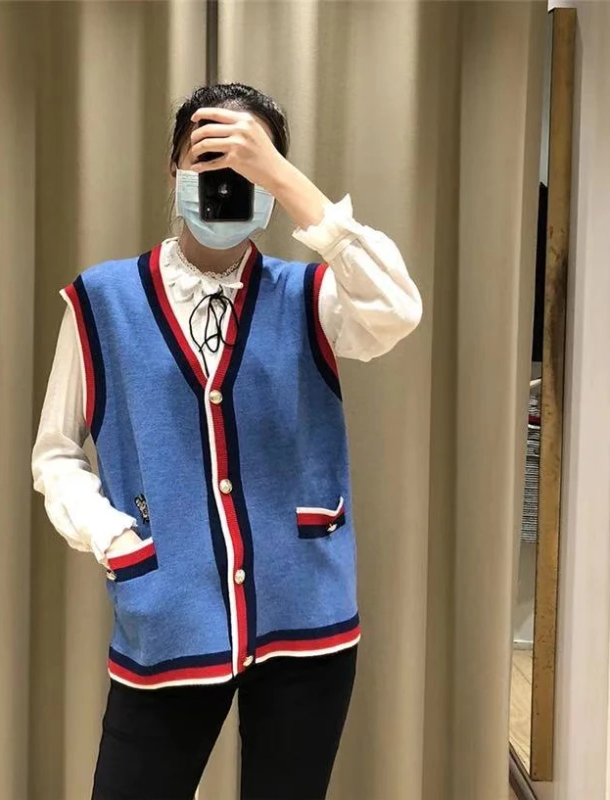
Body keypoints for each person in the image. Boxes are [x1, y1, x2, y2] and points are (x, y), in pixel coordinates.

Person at [32, 83, 422, 800]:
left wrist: (288, 181)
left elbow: (396, 310)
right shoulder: (102, 301)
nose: (226, 181)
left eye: (249, 165)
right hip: (168, 616)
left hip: (307, 619)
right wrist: (112, 537)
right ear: (172, 172)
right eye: (208, 159)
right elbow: (55, 453)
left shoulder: (313, 295)